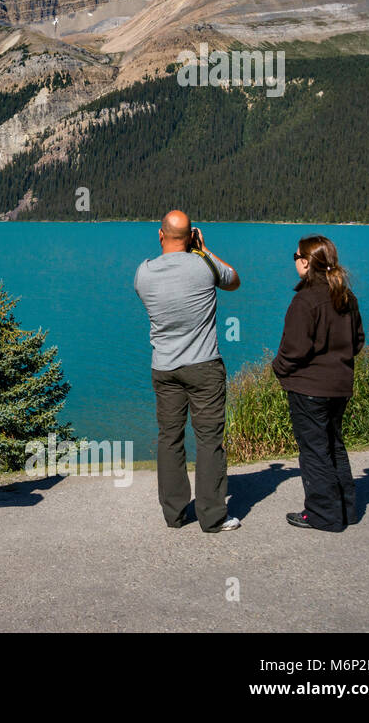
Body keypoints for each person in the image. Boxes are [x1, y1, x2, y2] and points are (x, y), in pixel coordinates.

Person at [134, 211, 243, 533]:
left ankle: (174, 514)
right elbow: (234, 280)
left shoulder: (144, 273)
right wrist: (203, 250)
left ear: (160, 235)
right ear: (192, 237)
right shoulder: (205, 266)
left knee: (169, 438)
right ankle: (212, 516)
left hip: (164, 367)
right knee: (209, 440)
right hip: (204, 366)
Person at [272, 236, 365, 532]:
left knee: (314, 451)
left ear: (306, 261)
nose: (295, 260)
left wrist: (279, 369)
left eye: (296, 255)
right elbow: (358, 342)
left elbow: (294, 349)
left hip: (309, 388)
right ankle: (346, 509)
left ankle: (323, 515)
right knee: (334, 445)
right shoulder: (346, 297)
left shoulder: (306, 300)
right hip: (339, 386)